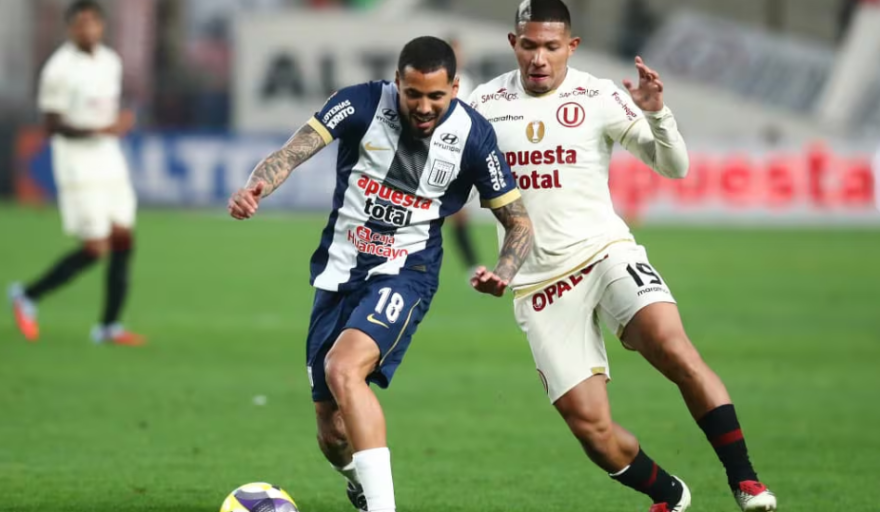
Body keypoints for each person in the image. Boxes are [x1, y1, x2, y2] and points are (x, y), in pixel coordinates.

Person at [468, 1, 776, 511]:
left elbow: (674, 167)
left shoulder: (599, 95)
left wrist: (656, 113)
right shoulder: (483, 103)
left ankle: (746, 481)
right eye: (529, 45)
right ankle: (669, 494)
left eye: (551, 46)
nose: (539, 58)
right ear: (513, 44)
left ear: (572, 46)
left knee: (674, 348)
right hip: (540, 283)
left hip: (605, 253)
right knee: (593, 431)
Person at [227, 36, 533, 512]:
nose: (424, 107)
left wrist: (505, 270)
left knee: (344, 367)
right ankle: (361, 487)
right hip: (339, 270)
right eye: (414, 94)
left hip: (406, 271)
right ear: (397, 83)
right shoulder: (360, 103)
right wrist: (255, 187)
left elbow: (518, 221)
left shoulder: (474, 136)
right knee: (331, 430)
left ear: (455, 88)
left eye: (436, 96)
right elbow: (293, 151)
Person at [8, 0, 144, 346]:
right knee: (96, 247)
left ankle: (109, 326)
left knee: (124, 237)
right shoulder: (58, 69)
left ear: (102, 25)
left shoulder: (110, 60)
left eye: (92, 22)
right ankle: (27, 294)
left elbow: (112, 105)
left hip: (109, 158)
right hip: (77, 163)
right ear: (70, 29)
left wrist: (120, 120)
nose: (87, 29)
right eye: (80, 24)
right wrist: (99, 130)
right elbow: (51, 125)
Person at [447, 35, 481, 273]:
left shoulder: (466, 81)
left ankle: (471, 267)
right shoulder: (434, 80)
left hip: (459, 154)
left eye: (460, 52)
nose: (459, 56)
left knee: (459, 214)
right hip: (435, 152)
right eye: (454, 52)